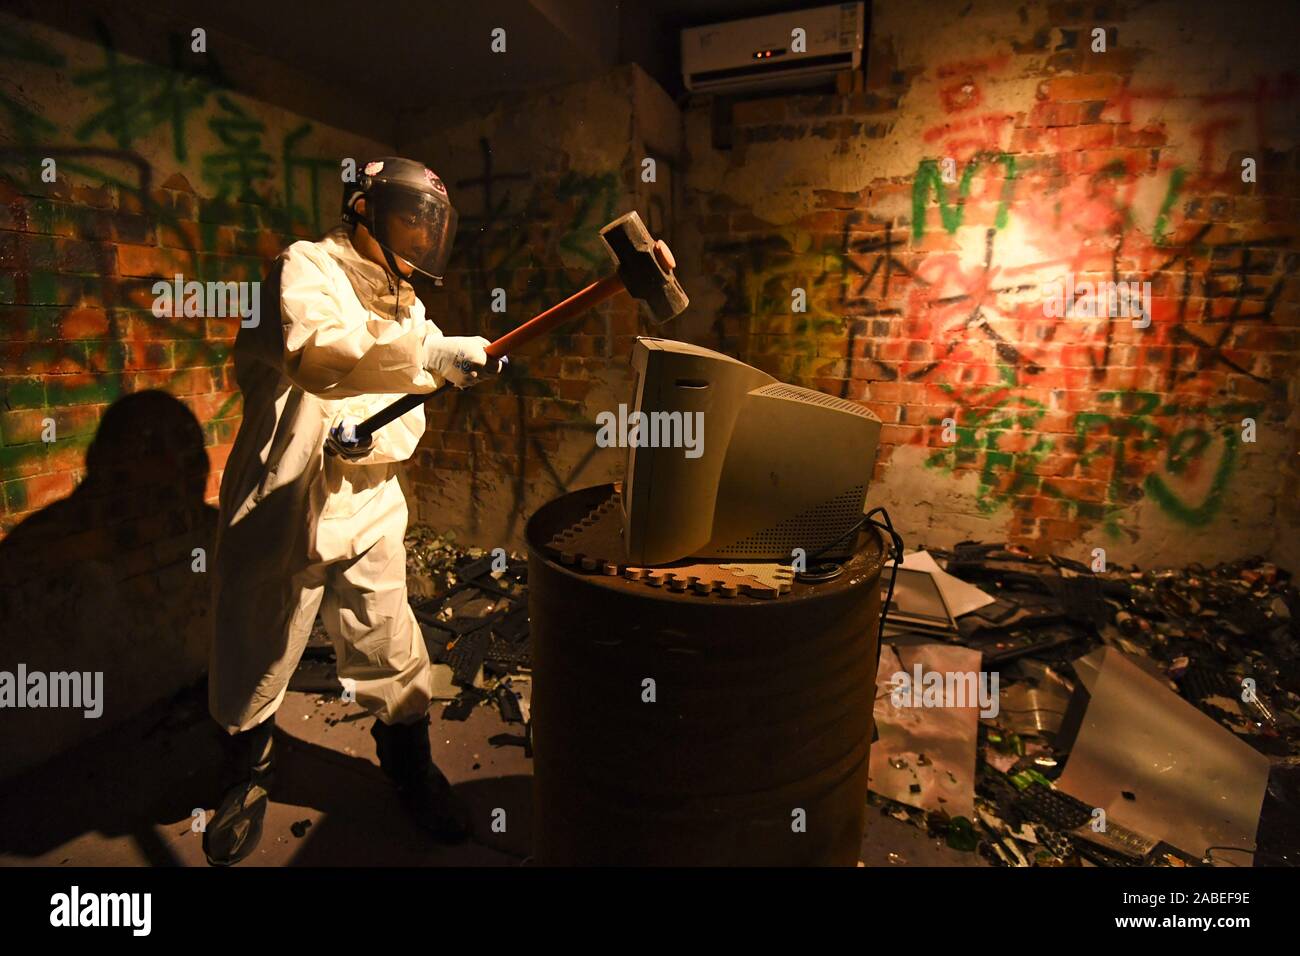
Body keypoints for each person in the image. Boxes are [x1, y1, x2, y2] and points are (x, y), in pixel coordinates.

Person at [202, 157, 502, 866]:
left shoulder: (406, 299)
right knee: (258, 639)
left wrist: (435, 370)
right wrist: (427, 353)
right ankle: (247, 773)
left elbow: (406, 382)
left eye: (430, 225)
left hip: (366, 498)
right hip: (286, 493)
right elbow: (318, 354)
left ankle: (408, 768)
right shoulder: (303, 269)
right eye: (408, 217)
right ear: (364, 208)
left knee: (390, 644)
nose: (420, 237)